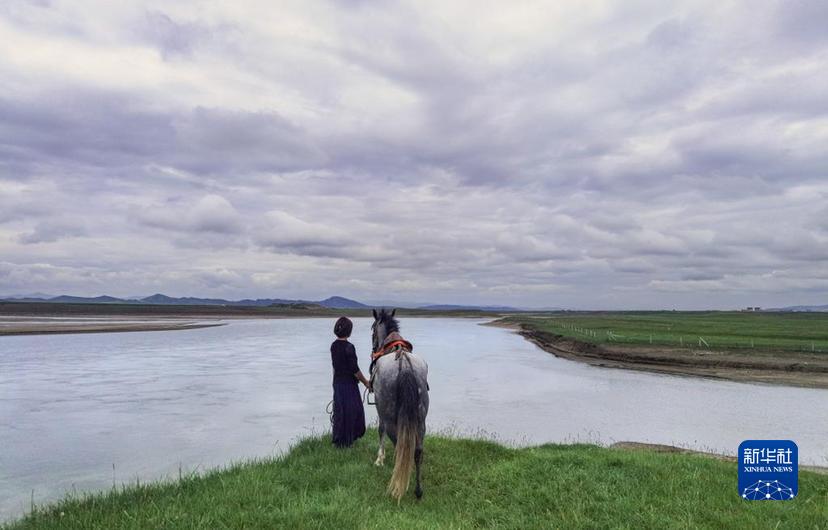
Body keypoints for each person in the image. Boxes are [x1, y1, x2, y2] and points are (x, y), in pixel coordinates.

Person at [330, 316, 370, 447]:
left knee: (340, 411)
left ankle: (339, 440)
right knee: (353, 411)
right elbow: (355, 370)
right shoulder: (349, 347)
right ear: (349, 331)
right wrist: (366, 382)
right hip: (349, 384)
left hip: (337, 382)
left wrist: (334, 383)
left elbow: (335, 367)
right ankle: (348, 441)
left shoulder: (333, 346)